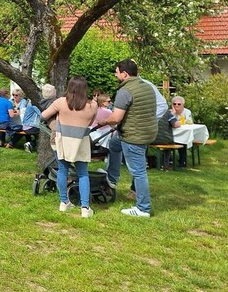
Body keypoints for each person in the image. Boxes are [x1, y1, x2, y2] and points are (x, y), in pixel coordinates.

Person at [102, 59, 157, 217]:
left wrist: (104, 121)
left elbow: (116, 118)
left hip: (133, 136)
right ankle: (112, 178)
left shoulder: (125, 91)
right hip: (146, 132)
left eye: (116, 72)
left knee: (139, 172)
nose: (115, 74)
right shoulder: (147, 87)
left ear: (124, 74)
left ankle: (143, 208)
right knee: (114, 144)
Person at [40, 76, 99, 218]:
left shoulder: (60, 102)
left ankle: (64, 202)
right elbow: (90, 122)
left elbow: (43, 115)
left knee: (62, 170)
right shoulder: (92, 106)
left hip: (63, 140)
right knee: (83, 173)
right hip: (80, 141)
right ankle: (85, 208)